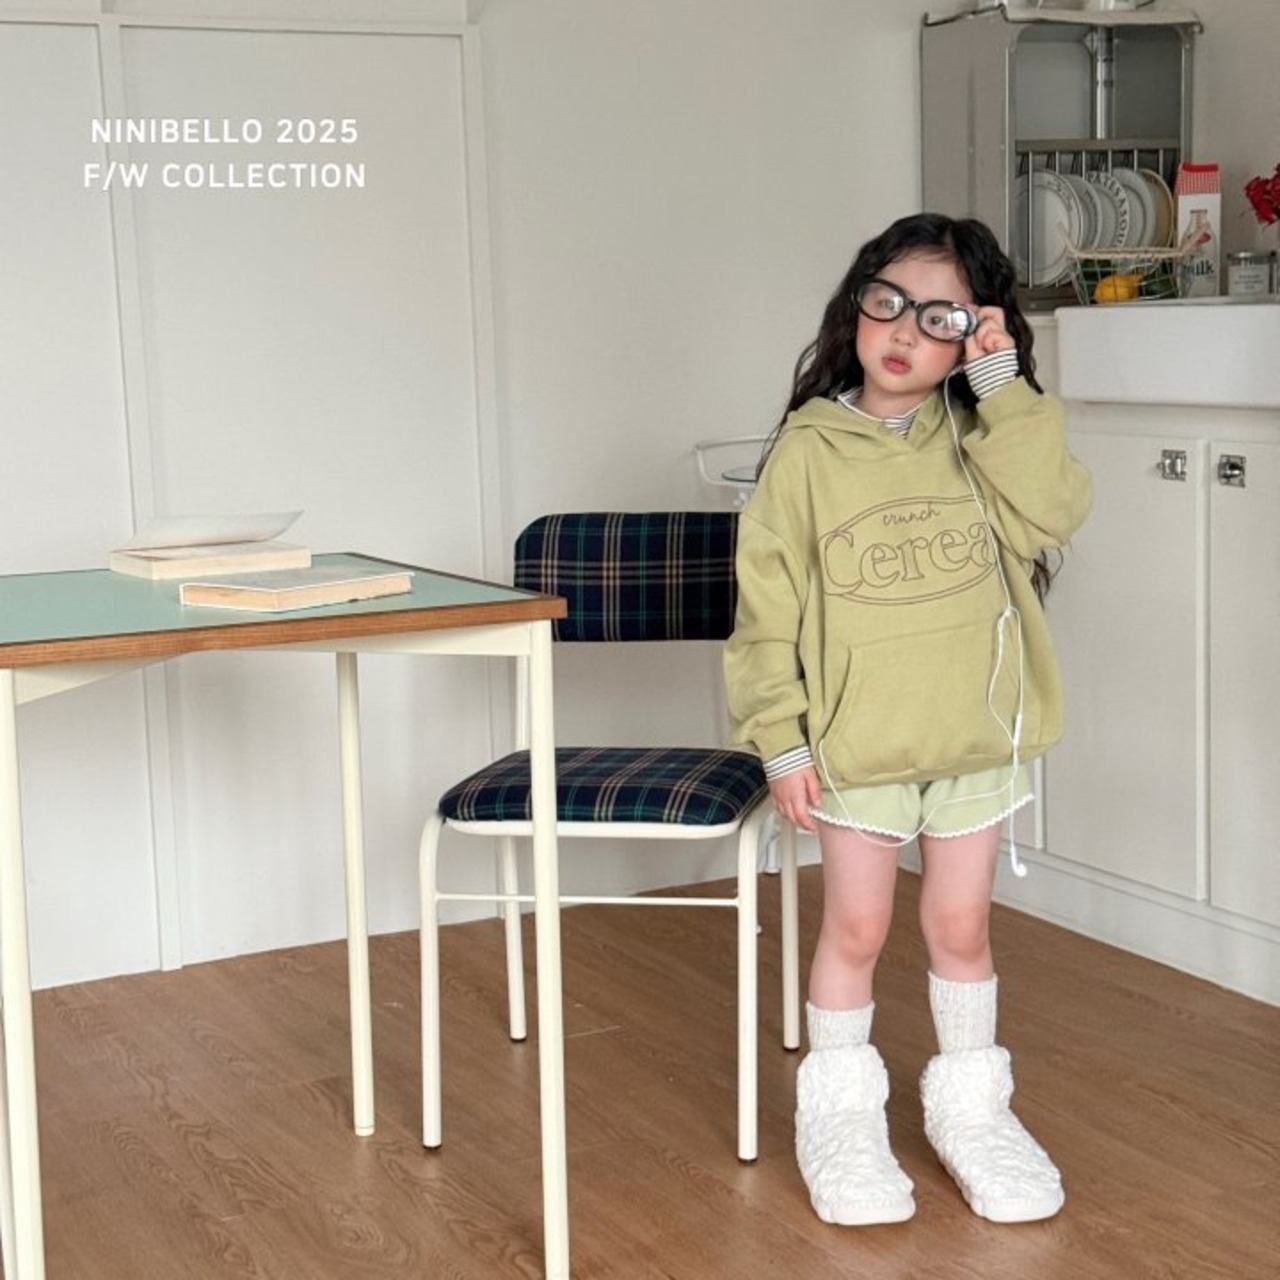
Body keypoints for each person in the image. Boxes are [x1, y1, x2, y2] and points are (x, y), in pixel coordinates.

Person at [723, 213, 1092, 1228]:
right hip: (859, 745)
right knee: (855, 926)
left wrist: (1000, 384)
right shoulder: (806, 454)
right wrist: (781, 737)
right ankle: (841, 1113)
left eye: (938, 317)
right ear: (855, 307)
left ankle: (973, 1111)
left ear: (972, 333)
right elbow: (766, 612)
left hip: (972, 737)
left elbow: (1055, 509)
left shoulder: (983, 439)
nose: (901, 331)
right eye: (886, 302)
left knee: (961, 927)